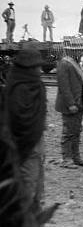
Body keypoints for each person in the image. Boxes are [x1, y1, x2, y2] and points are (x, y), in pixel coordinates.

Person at [4, 49, 47, 214]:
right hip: (23, 144)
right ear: (28, 68)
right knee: (28, 179)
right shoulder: (19, 88)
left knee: (37, 177)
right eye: (37, 67)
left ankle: (34, 210)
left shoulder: (36, 86)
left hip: (36, 141)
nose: (41, 70)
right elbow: (18, 120)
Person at [55, 49, 83, 168]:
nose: (81, 53)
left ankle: (75, 157)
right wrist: (71, 104)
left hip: (78, 103)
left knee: (76, 131)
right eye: (79, 51)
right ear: (72, 51)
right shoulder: (64, 64)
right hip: (70, 105)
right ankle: (67, 159)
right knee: (68, 132)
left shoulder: (72, 63)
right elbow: (64, 86)